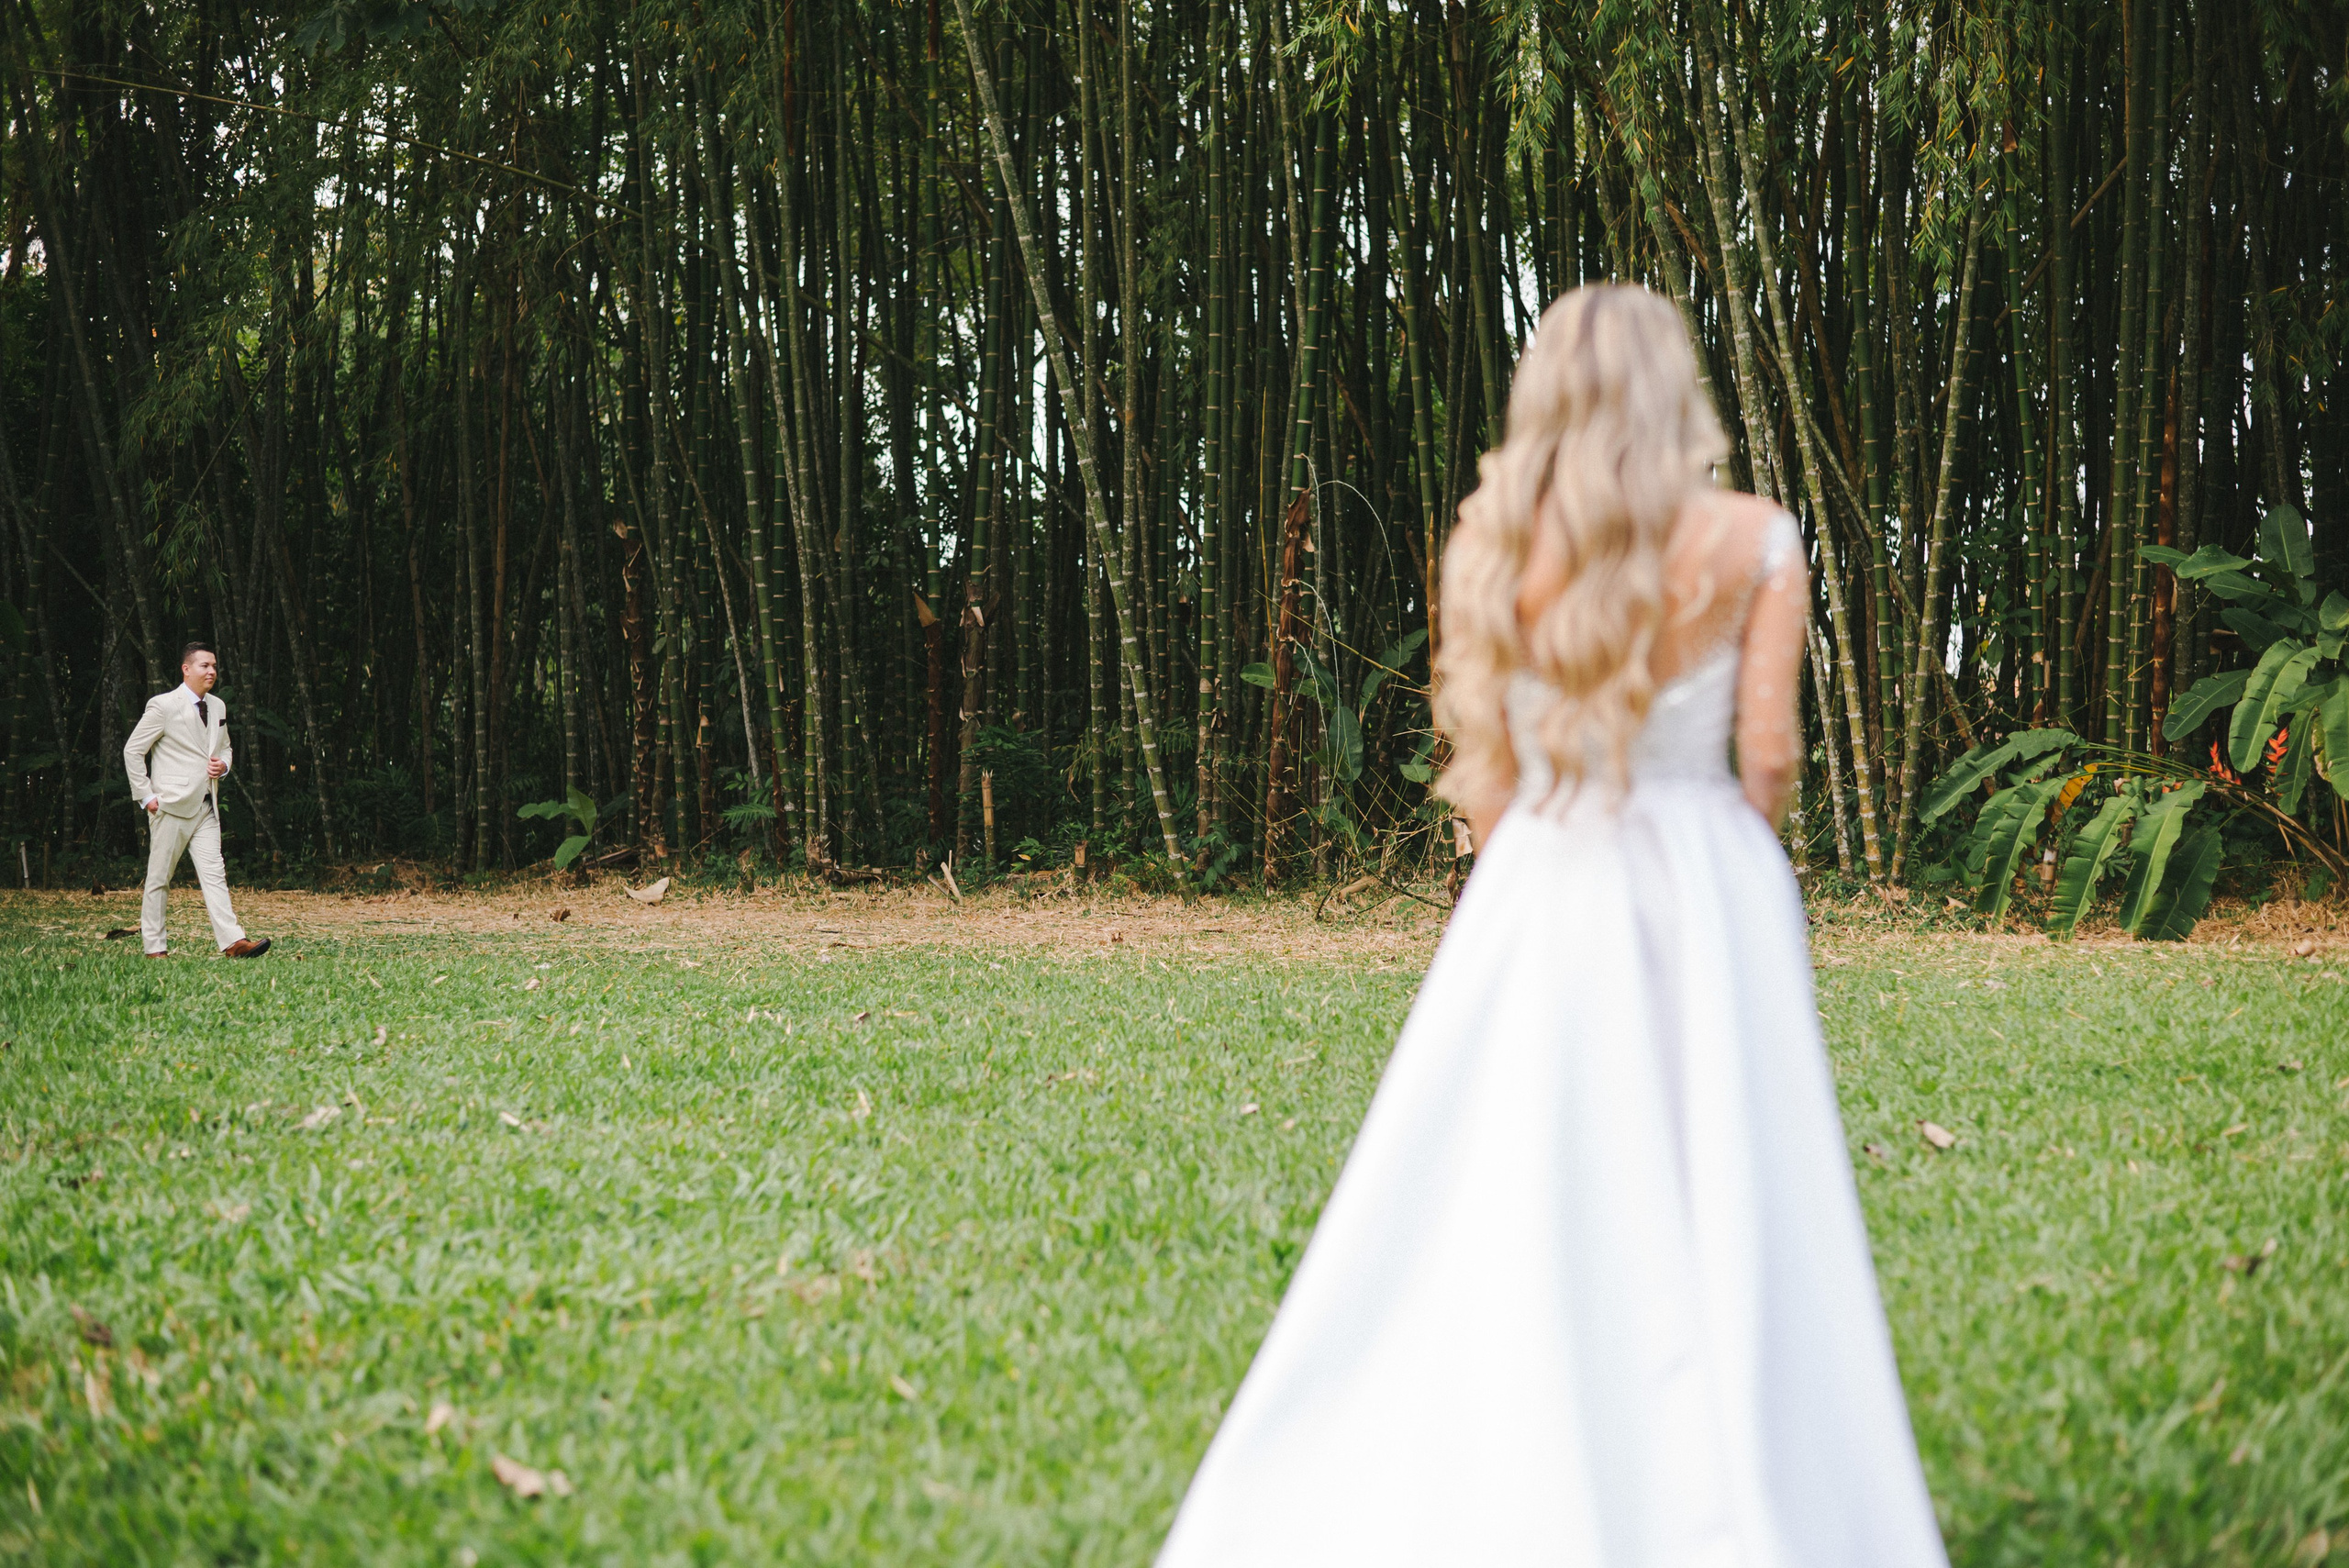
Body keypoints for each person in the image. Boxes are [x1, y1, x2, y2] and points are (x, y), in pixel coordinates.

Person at [1157, 286, 1946, 1566]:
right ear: (1674, 393)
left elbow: (1487, 778)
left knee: (1527, 1162)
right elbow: (1767, 759)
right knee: (1721, 1156)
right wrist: (1733, 851)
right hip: (1708, 871)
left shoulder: (1491, 546)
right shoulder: (1757, 539)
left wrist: (1533, 855)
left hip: (1548, 875)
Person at [124, 642, 270, 960]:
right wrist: (146, 796)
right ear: (186, 669)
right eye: (205, 666)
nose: (212, 671)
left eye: (215, 666)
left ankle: (233, 942)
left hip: (207, 806)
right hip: (171, 806)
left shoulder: (218, 706)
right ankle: (155, 948)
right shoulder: (163, 705)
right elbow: (133, 750)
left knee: (215, 875)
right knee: (159, 878)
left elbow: (226, 748)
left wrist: (225, 765)